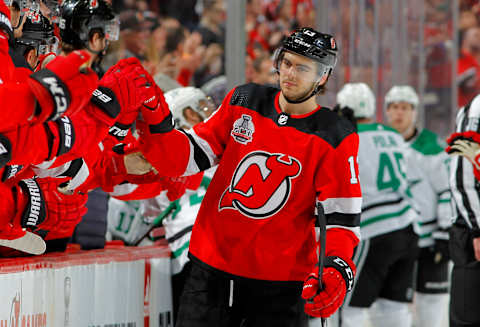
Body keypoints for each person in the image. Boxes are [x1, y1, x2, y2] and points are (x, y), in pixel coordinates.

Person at [135, 27, 361, 326]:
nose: (290, 73)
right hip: (210, 272)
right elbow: (188, 155)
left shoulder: (334, 135)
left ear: (322, 77)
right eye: (287, 62)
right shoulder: (245, 99)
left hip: (279, 288)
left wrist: (335, 269)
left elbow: (341, 220)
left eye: (303, 68)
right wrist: (156, 121)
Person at [335, 83, 419, 327]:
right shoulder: (392, 134)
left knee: (348, 308)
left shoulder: (347, 138)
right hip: (407, 227)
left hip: (373, 231)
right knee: (393, 309)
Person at [385, 85, 452, 327]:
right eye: (393, 107)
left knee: (431, 305)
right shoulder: (382, 144)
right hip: (396, 239)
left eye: (404, 108)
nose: (398, 113)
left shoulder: (432, 146)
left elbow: (448, 191)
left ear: (414, 112)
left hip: (430, 240)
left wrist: (444, 233)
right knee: (393, 307)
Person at [445, 94, 480, 327]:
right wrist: (478, 229)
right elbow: (461, 177)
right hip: (473, 234)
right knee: (469, 317)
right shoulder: (477, 110)